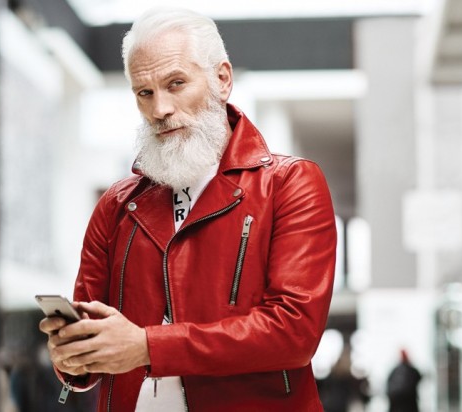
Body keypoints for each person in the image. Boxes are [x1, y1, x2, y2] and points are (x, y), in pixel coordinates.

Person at [39, 7, 337, 411]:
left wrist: (147, 347)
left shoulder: (290, 184)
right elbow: (91, 346)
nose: (160, 109)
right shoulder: (116, 206)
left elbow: (293, 333)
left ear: (222, 79)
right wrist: (73, 356)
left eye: (175, 83)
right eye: (144, 93)